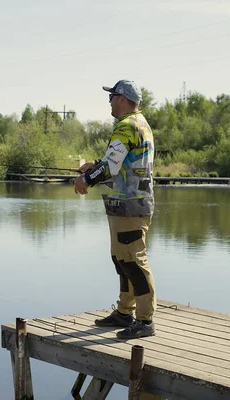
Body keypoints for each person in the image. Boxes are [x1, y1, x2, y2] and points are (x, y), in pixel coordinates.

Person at [73, 79, 156, 339]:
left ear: (121, 98)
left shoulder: (126, 126)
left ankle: (144, 320)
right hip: (126, 205)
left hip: (130, 206)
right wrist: (94, 165)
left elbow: (110, 167)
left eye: (111, 97)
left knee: (134, 261)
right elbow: (115, 162)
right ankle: (124, 312)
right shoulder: (137, 124)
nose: (109, 102)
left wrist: (85, 179)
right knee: (122, 260)